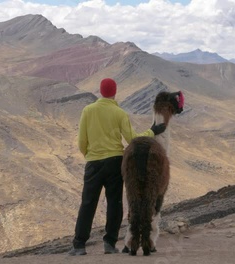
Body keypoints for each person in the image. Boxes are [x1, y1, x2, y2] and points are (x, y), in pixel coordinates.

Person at [68, 78, 166, 256]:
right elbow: (132, 140)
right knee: (115, 202)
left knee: (88, 203)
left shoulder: (88, 111)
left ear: (100, 91)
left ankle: (79, 245)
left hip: (94, 164)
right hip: (115, 163)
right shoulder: (119, 113)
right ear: (114, 92)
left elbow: (82, 141)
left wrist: (90, 156)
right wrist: (152, 131)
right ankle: (110, 244)